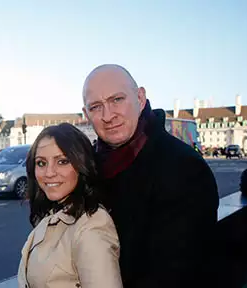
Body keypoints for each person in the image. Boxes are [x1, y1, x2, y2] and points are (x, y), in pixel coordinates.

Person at [82, 64, 219, 287]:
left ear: (140, 98)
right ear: (86, 114)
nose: (108, 115)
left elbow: (180, 271)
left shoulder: (183, 167)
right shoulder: (90, 169)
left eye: (117, 99)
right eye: (96, 107)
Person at [17, 123, 121, 288]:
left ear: (82, 165)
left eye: (62, 161)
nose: (49, 173)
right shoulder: (54, 212)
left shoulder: (92, 227)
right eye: (41, 163)